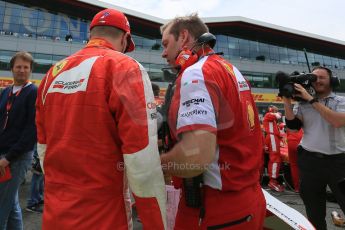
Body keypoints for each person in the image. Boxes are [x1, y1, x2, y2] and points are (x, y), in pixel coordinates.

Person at [36, 8, 166, 229]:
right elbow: (142, 161)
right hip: (105, 217)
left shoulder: (53, 73)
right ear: (125, 39)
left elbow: (43, 150)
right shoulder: (126, 67)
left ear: (91, 34)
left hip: (55, 215)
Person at [160, 14, 266, 229]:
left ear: (183, 36)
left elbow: (195, 157)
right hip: (247, 200)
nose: (163, 53)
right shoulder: (229, 69)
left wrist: (151, 165)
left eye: (165, 43)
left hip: (214, 209)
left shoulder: (196, 73)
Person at [283, 66, 345, 230]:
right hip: (310, 161)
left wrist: (311, 99)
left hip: (339, 163)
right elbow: (293, 127)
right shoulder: (303, 103)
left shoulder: (341, 101)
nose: (316, 80)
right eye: (313, 77)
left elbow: (337, 121)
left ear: (331, 81)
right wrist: (286, 99)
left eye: (321, 77)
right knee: (314, 211)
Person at [0, 51, 37, 230]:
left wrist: (8, 158)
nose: (22, 70)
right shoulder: (6, 91)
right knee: (11, 202)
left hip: (17, 157)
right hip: (3, 154)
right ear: (12, 69)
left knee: (2, 205)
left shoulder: (33, 93)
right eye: (18, 67)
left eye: (26, 67)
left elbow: (31, 131)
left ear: (30, 70)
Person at [263, 105, 285, 192]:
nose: (277, 110)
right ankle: (272, 181)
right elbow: (278, 115)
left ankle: (273, 180)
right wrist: (276, 112)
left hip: (273, 137)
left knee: (275, 159)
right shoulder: (269, 114)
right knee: (275, 159)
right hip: (272, 137)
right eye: (275, 109)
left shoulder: (272, 119)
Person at [25, 144, 44, 213]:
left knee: (40, 176)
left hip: (41, 147)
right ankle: (31, 203)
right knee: (37, 176)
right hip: (39, 148)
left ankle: (38, 198)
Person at [286, 128, 303, 192]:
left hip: (290, 141)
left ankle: (297, 188)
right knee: (304, 164)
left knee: (293, 165)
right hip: (300, 140)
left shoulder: (289, 119)